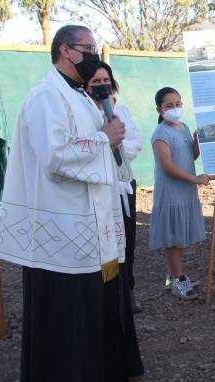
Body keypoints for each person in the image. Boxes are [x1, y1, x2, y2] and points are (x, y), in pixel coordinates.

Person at [0, 25, 144, 382]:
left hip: (93, 221)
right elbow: (55, 157)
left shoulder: (81, 96)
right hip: (62, 226)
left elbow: (106, 145)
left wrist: (111, 137)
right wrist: (104, 140)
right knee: (68, 310)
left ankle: (101, 376)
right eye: (88, 48)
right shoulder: (46, 97)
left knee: (94, 303)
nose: (94, 55)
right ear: (65, 50)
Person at [84, 62, 144, 312]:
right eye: (95, 82)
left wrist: (115, 146)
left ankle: (126, 291)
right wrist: (105, 143)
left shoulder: (122, 112)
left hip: (123, 184)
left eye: (105, 80)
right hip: (99, 188)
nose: (101, 86)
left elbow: (135, 142)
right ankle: (103, 293)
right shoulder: (84, 113)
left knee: (126, 239)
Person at [149, 87, 208, 299]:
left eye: (178, 104)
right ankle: (178, 281)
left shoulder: (183, 127)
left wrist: (198, 142)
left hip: (185, 191)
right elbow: (168, 167)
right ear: (159, 109)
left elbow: (188, 157)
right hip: (171, 193)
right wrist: (196, 180)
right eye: (169, 105)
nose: (175, 108)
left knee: (180, 235)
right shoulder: (160, 134)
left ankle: (172, 276)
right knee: (173, 239)